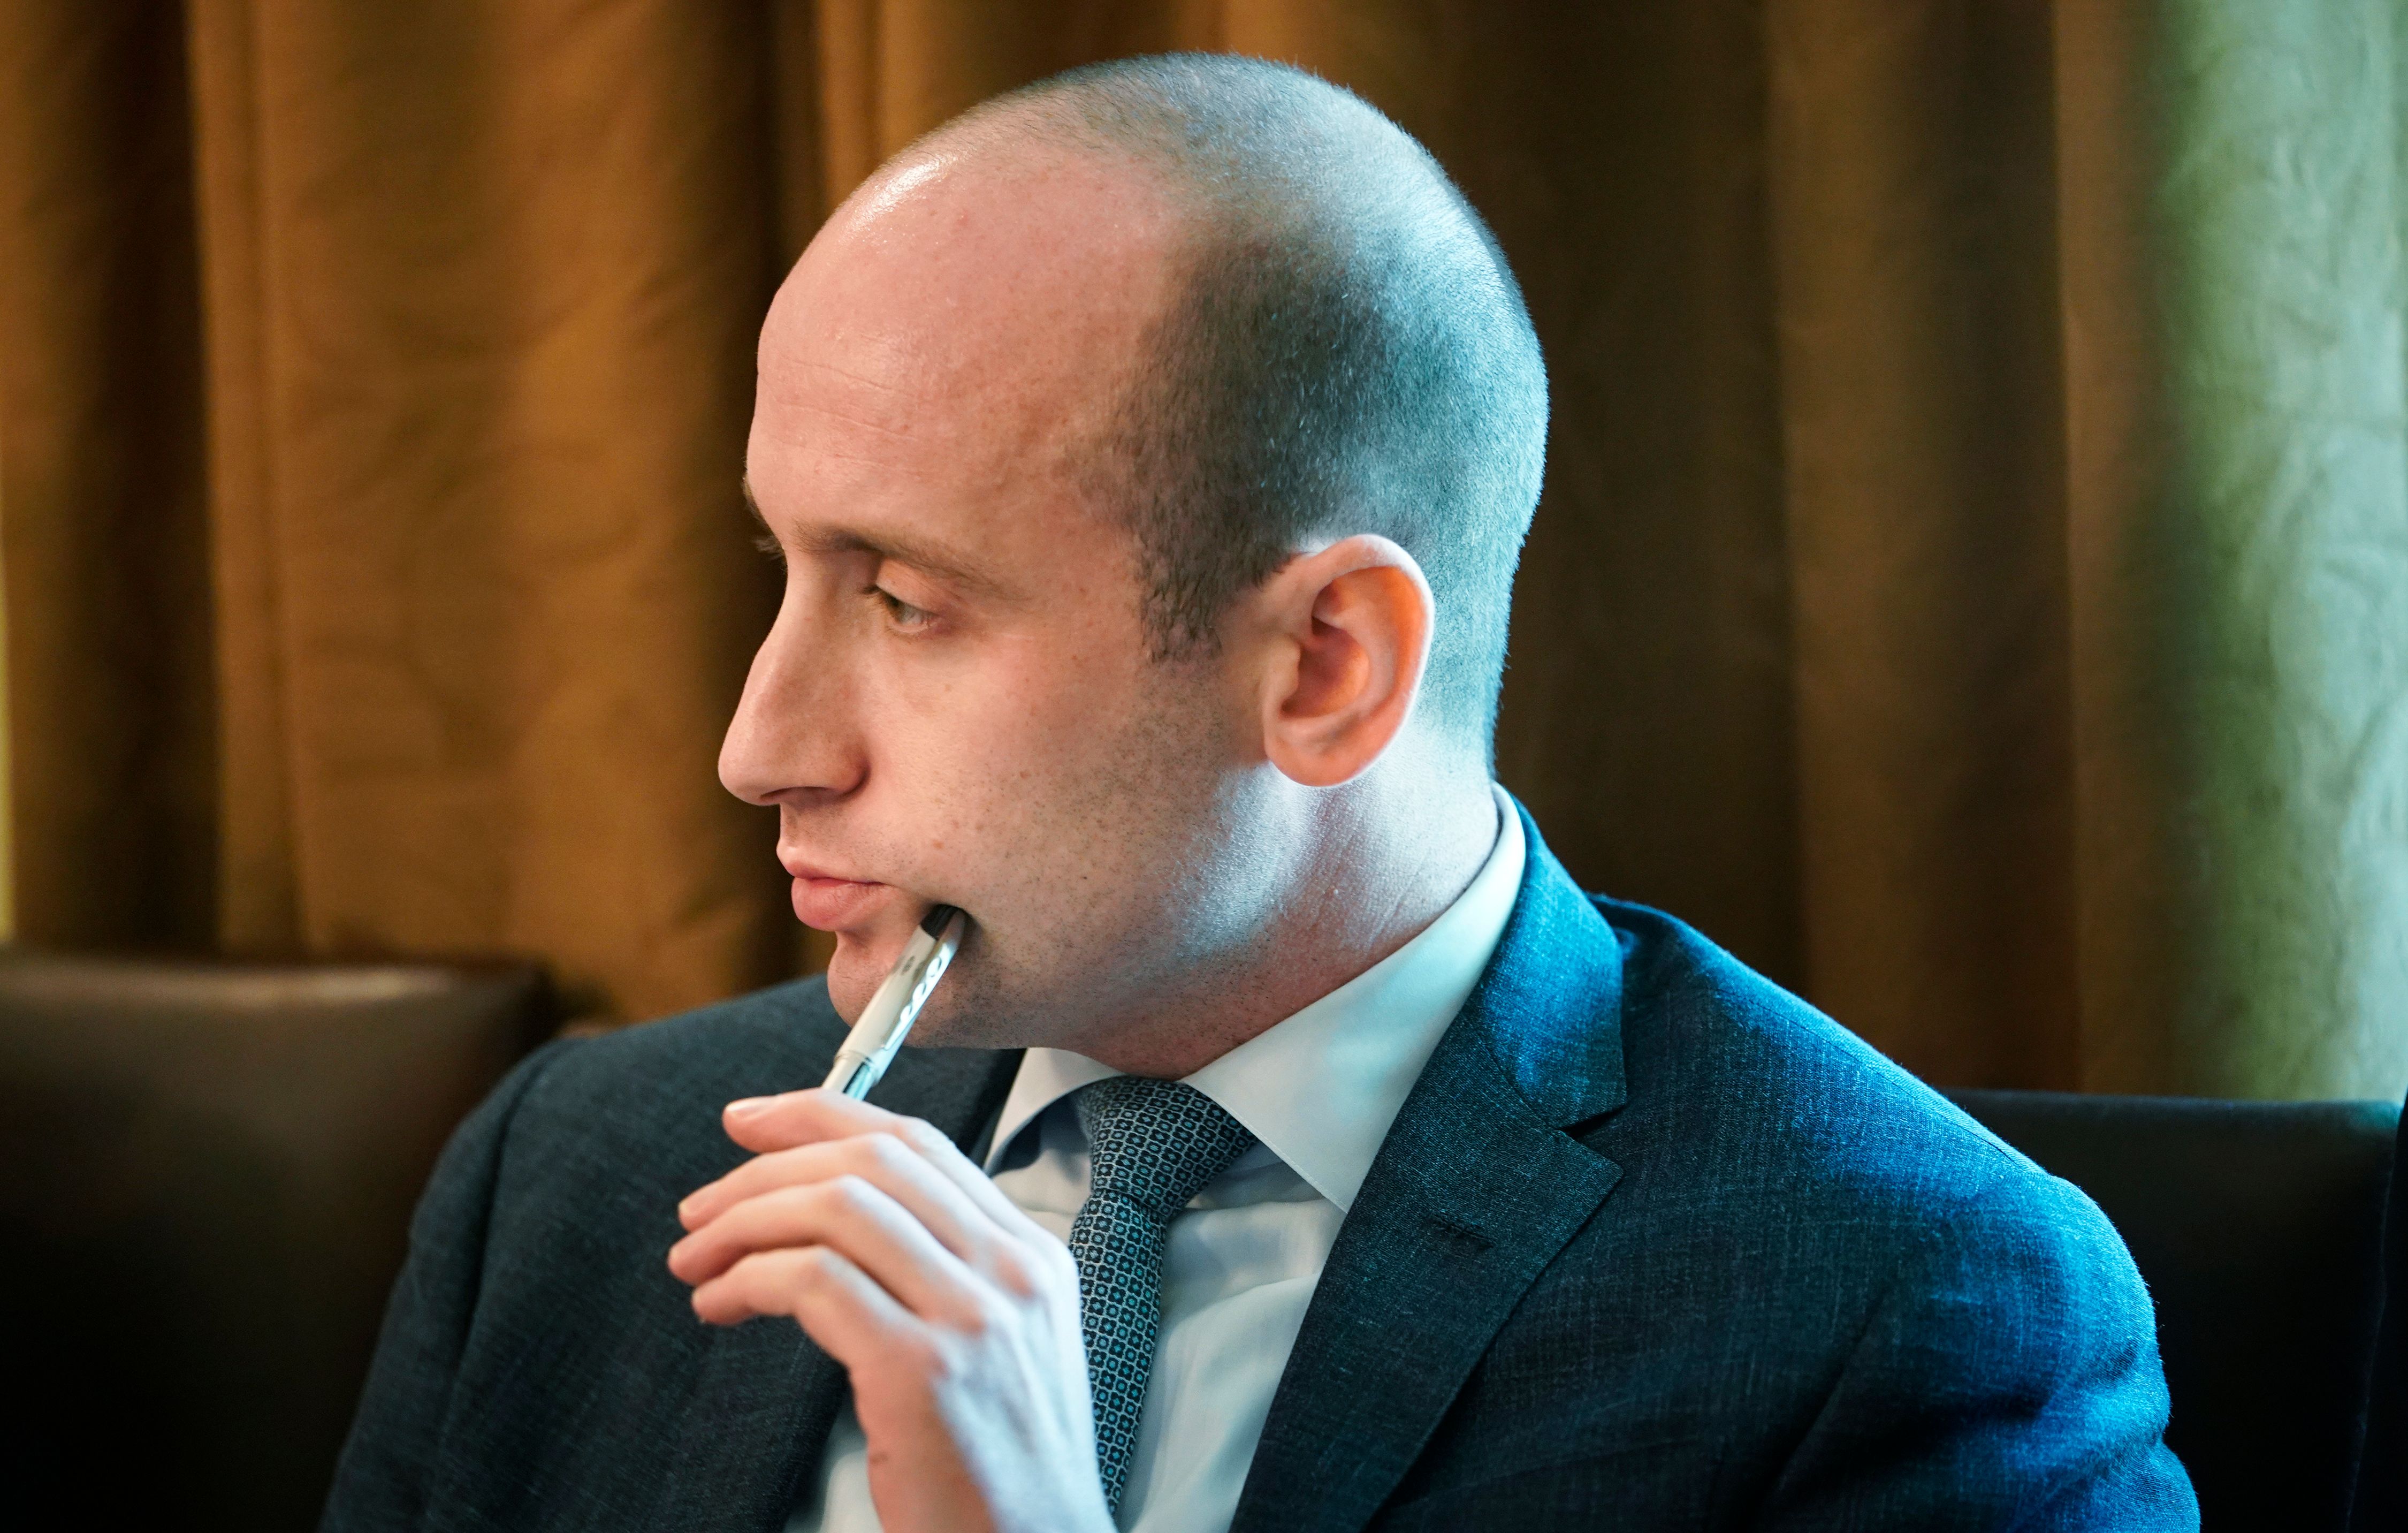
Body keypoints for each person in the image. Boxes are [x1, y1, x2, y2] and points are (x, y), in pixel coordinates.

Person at [321, 53, 2197, 1533]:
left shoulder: (1907, 1311)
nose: (760, 746)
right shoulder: (576, 1170)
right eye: (782, 571)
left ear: (1324, 669)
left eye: (903, 602)